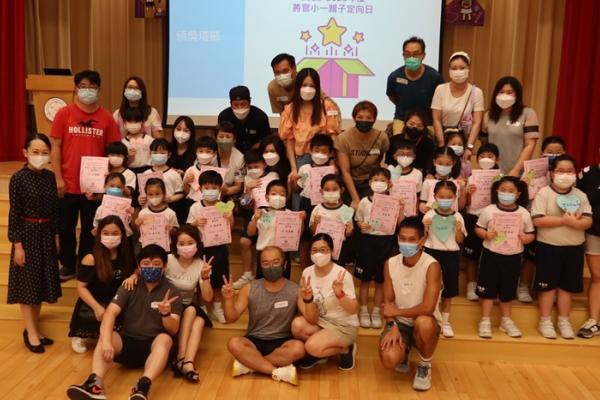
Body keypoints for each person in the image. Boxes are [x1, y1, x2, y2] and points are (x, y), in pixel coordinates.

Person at [66, 244, 183, 400]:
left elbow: (173, 329)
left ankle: (143, 386)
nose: (151, 268)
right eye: (146, 264)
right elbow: (110, 313)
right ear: (139, 267)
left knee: (165, 339)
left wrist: (166, 314)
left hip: (155, 348)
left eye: (156, 264)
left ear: (164, 267)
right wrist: (106, 341)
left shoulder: (172, 291)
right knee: (107, 334)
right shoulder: (129, 285)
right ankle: (94, 384)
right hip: (129, 342)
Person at [50, 69, 121, 281]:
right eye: (83, 86)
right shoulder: (64, 114)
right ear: (76, 88)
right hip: (68, 183)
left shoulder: (106, 118)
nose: (87, 90)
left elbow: (114, 151)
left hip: (94, 187)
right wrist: (57, 177)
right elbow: (55, 146)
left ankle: (84, 264)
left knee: (91, 228)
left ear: (99, 90)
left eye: (92, 87)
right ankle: (67, 264)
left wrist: (107, 184)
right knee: (65, 227)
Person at [123, 225, 214, 382]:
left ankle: (187, 362)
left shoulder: (202, 264)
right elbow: (145, 266)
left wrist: (205, 277)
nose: (186, 247)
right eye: (181, 243)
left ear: (197, 244)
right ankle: (182, 358)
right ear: (175, 245)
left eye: (190, 242)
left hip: (185, 305)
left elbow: (207, 298)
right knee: (192, 313)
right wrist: (133, 276)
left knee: (197, 319)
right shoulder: (168, 260)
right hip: (163, 304)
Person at [8, 134, 61, 353]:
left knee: (40, 285)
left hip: (46, 233)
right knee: (27, 286)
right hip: (27, 234)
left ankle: (35, 330)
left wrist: (56, 236)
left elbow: (55, 210)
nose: (40, 156)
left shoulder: (50, 177)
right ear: (25, 152)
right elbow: (14, 213)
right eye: (35, 152)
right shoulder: (18, 178)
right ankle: (30, 333)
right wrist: (17, 245)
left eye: (44, 152)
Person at [223, 246, 306, 385]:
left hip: (283, 342)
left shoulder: (295, 289)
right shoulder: (249, 288)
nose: (271, 267)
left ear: (285, 264)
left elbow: (311, 318)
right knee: (234, 343)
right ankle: (276, 372)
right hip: (254, 340)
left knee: (299, 348)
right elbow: (231, 318)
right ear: (261, 266)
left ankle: (251, 364)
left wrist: (308, 299)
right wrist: (228, 299)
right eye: (266, 263)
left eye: (275, 262)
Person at [532, 155, 593, 339]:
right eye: (560, 171)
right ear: (552, 173)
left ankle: (564, 321)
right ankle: (545, 321)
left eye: (569, 171)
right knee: (548, 287)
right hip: (549, 247)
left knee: (567, 287)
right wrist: (564, 221)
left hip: (574, 248)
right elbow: (538, 220)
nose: (565, 175)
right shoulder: (544, 193)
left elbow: (588, 221)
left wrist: (576, 224)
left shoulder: (580, 195)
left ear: (575, 174)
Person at [379, 217, 442, 392]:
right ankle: (404, 353)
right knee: (389, 359)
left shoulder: (432, 266)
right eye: (402, 238)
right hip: (399, 323)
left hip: (424, 321)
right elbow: (388, 302)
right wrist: (393, 325)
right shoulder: (390, 263)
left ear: (422, 240)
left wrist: (396, 312)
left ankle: (424, 365)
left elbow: (428, 308)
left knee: (424, 322)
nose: (406, 243)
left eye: (412, 239)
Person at [474, 176, 535, 338]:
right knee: (487, 290)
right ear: (497, 191)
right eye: (503, 190)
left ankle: (506, 320)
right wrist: (485, 234)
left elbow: (531, 233)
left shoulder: (524, 213)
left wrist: (526, 239)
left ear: (518, 194)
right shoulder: (489, 210)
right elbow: (478, 228)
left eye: (510, 191)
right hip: (491, 256)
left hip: (513, 257)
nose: (506, 193)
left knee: (508, 290)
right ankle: (485, 320)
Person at [292, 234, 359, 370]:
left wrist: (340, 294)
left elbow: (353, 309)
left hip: (343, 325)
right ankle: (320, 351)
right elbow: (311, 318)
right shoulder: (307, 273)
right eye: (314, 250)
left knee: (311, 347)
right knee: (297, 326)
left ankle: (346, 349)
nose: (318, 254)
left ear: (332, 252)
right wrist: (308, 299)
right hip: (321, 321)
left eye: (323, 250)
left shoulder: (342, 274)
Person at [69, 216, 135, 353]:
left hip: (117, 301)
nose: (110, 237)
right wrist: (97, 308)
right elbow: (81, 287)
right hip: (95, 301)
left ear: (122, 235)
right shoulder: (90, 258)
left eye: (115, 233)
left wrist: (135, 275)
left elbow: (136, 268)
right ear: (99, 234)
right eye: (106, 233)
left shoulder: (126, 254)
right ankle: (81, 335)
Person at [354, 168, 403, 329]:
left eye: (383, 180)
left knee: (381, 280)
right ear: (370, 182)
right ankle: (363, 310)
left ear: (390, 184)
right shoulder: (364, 201)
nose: (379, 183)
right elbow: (358, 220)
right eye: (376, 179)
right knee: (365, 279)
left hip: (386, 242)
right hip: (367, 242)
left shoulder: (393, 202)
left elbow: (400, 223)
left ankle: (376, 311)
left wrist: (401, 208)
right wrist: (361, 225)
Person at [187, 170, 235, 324]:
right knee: (202, 279)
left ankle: (218, 307)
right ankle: (203, 308)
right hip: (201, 248)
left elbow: (230, 228)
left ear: (220, 189)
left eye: (214, 188)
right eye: (206, 188)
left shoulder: (223, 206)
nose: (210, 191)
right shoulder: (195, 207)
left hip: (219, 246)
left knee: (219, 278)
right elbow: (188, 228)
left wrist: (230, 218)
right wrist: (195, 223)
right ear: (200, 189)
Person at [279, 67, 341, 184]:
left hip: (324, 157)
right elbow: (289, 141)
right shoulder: (289, 110)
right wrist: (294, 168)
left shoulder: (327, 106)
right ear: (298, 86)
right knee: (302, 191)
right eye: (304, 85)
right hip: (301, 159)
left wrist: (333, 162)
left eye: (312, 86)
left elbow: (332, 137)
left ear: (317, 87)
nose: (308, 89)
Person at [422, 180, 466, 338]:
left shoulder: (458, 216)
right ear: (434, 196)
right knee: (429, 287)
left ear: (455, 197)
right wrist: (425, 227)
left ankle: (445, 322)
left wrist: (458, 230)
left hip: (450, 255)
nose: (445, 199)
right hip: (431, 254)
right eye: (441, 196)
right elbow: (422, 238)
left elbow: (460, 240)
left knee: (448, 290)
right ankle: (430, 317)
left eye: (449, 197)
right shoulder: (429, 215)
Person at [464, 143, 501, 300]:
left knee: (492, 255)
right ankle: (471, 285)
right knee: (471, 255)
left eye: (490, 156)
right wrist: (468, 193)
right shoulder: (472, 177)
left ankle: (489, 285)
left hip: (494, 219)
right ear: (477, 159)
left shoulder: (501, 177)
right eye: (482, 156)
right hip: (474, 217)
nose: (486, 159)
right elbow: (466, 203)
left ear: (497, 159)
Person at [482, 76, 540, 176]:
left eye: (509, 92)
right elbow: (484, 144)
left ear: (517, 95)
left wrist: (516, 170)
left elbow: (530, 145)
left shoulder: (528, 113)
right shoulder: (488, 115)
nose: (505, 95)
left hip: (517, 172)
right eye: (501, 92)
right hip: (492, 172)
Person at [336, 101, 389, 209]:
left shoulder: (382, 137)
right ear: (354, 118)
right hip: (350, 181)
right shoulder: (343, 138)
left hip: (371, 181)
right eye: (360, 117)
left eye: (369, 118)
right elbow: (345, 172)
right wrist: (355, 199)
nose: (364, 120)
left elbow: (379, 161)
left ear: (374, 119)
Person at [247, 180, 305, 279]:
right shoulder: (261, 213)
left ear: (286, 198)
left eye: (282, 195)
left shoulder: (290, 214)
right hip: (265, 254)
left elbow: (299, 234)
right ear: (267, 197)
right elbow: (250, 233)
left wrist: (301, 221)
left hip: (283, 254)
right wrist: (255, 219)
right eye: (274, 194)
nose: (278, 197)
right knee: (262, 283)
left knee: (283, 283)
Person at [431, 51, 484, 156]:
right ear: (449, 70)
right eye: (454, 68)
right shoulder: (440, 89)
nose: (458, 71)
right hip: (443, 138)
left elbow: (477, 123)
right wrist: (442, 145)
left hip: (464, 141)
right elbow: (436, 120)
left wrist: (469, 147)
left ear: (468, 69)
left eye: (462, 68)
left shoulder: (476, 92)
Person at [386, 37, 443, 133]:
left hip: (427, 122)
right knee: (398, 140)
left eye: (416, 54)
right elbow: (392, 97)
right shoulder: (394, 76)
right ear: (403, 55)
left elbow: (440, 101)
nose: (411, 58)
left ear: (423, 55)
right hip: (402, 120)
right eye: (407, 54)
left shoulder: (434, 77)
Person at [577, 146, 600, 338]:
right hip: (594, 231)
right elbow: (577, 199)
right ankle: (593, 321)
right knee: (597, 276)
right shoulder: (587, 172)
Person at [217, 85, 271, 155]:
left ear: (249, 102)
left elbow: (266, 140)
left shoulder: (260, 117)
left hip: (255, 153)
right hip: (231, 152)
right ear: (231, 104)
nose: (239, 108)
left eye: (243, 104)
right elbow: (222, 139)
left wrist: (252, 152)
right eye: (235, 105)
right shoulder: (224, 116)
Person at [419, 146, 466, 214]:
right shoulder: (428, 182)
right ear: (434, 162)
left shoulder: (457, 184)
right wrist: (425, 208)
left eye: (448, 164)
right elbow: (422, 203)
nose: (443, 166)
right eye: (440, 163)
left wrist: (463, 190)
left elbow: (460, 207)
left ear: (453, 163)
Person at [138, 139, 184, 207]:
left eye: (162, 153)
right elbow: (142, 193)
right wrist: (140, 199)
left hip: (168, 208)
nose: (158, 155)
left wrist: (171, 199)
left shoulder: (174, 174)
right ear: (150, 154)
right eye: (155, 153)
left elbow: (181, 193)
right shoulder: (146, 174)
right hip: (149, 209)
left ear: (169, 155)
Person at [214, 121, 245, 197]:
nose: (224, 140)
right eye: (221, 136)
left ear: (234, 140)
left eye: (228, 137)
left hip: (228, 193)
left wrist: (223, 192)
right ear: (216, 139)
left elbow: (238, 186)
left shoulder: (240, 158)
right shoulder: (209, 154)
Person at [121, 107, 153, 173]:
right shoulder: (123, 142)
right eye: (129, 122)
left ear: (142, 122)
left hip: (147, 170)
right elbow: (124, 163)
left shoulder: (149, 140)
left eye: (136, 122)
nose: (133, 125)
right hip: (130, 171)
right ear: (125, 123)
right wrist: (130, 157)